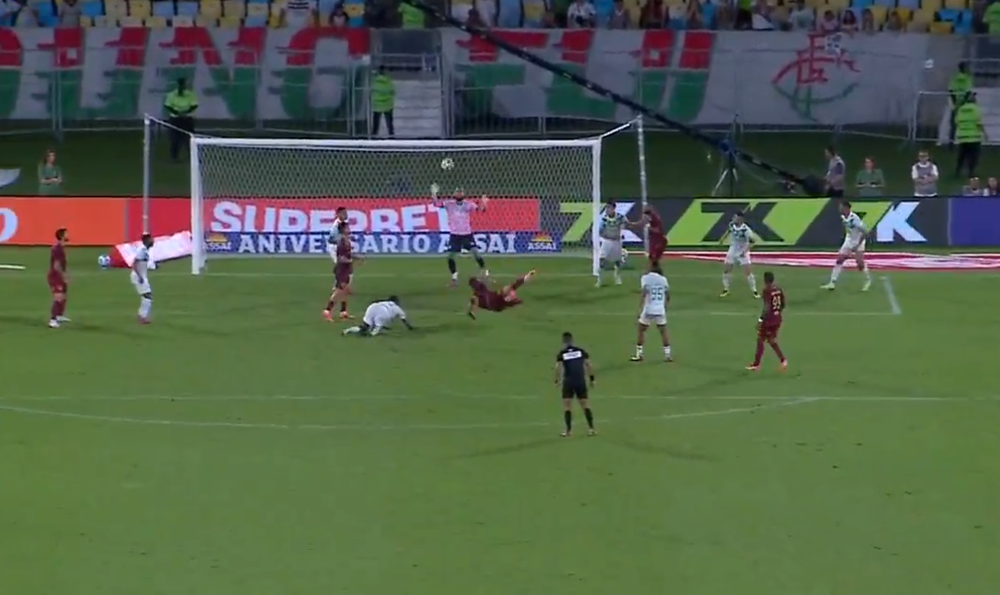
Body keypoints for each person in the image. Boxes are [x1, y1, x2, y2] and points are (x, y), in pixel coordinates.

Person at [432, 183, 489, 287]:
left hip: (466, 234)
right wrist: (434, 194)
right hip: (455, 235)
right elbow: (436, 204)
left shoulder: (468, 204)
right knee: (450, 257)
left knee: (476, 253)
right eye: (457, 192)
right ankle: (454, 278)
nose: (459, 194)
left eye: (460, 192)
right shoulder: (449, 204)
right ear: (454, 194)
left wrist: (483, 203)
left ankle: (485, 272)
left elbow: (480, 210)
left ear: (463, 194)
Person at [821, 201, 871, 292]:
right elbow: (848, 228)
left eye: (841, 207)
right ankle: (832, 283)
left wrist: (857, 245)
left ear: (846, 208)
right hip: (849, 239)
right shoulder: (843, 217)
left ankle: (867, 280)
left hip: (859, 240)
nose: (840, 209)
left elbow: (865, 232)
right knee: (840, 259)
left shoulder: (854, 219)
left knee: (860, 263)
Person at [553, 331, 596, 437]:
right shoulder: (580, 351)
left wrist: (557, 381)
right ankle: (591, 429)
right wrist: (592, 379)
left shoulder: (562, 353)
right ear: (572, 340)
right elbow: (589, 365)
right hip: (580, 381)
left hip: (569, 382)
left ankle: (568, 431)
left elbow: (558, 368)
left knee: (567, 406)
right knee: (585, 404)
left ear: (564, 341)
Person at [746, 271, 788, 371]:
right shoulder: (778, 289)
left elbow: (767, 306)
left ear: (765, 280)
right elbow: (783, 304)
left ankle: (756, 364)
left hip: (769, 320)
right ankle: (783, 360)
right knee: (771, 340)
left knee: (760, 339)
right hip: (777, 319)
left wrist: (761, 319)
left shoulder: (767, 290)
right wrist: (777, 312)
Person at [631, 261, 672, 362]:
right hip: (660, 309)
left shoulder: (645, 278)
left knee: (641, 330)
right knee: (663, 332)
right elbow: (668, 295)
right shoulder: (663, 279)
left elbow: (644, 293)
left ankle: (639, 354)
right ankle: (668, 355)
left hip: (649, 309)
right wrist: (665, 307)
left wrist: (639, 309)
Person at [323, 222, 362, 321]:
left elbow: (348, 254)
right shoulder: (342, 242)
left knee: (344, 290)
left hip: (346, 269)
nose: (349, 229)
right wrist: (351, 260)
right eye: (347, 227)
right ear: (343, 230)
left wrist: (357, 257)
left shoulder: (346, 241)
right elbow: (341, 258)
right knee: (339, 291)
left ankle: (343, 312)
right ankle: (327, 311)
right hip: (342, 270)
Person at [719, 211, 758, 298]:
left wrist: (744, 252)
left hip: (742, 251)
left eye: (735, 217)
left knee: (748, 272)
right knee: (727, 270)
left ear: (740, 219)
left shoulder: (746, 230)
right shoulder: (731, 225)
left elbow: (753, 242)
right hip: (732, 250)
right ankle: (726, 289)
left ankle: (754, 291)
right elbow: (728, 231)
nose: (734, 219)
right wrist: (722, 239)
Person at [467, 270, 536, 318]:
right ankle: (473, 311)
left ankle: (473, 311)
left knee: (510, 290)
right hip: (495, 303)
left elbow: (518, 283)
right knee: (510, 291)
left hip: (494, 302)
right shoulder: (481, 293)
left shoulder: (479, 294)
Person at [163, 77, 198, 162]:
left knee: (189, 139)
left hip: (187, 119)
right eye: (180, 84)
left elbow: (194, 105)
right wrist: (177, 113)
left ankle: (192, 157)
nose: (182, 86)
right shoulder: (172, 95)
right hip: (175, 119)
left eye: (183, 84)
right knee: (174, 139)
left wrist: (185, 113)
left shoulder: (190, 94)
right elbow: (167, 106)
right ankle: (174, 157)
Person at [343, 296, 414, 336]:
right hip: (383, 312)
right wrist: (409, 327)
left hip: (373, 307)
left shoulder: (384, 302)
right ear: (396, 301)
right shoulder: (397, 308)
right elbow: (403, 319)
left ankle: (347, 330)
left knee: (365, 326)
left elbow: (375, 301)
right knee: (375, 330)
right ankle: (369, 334)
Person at [596, 201, 628, 287]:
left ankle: (617, 277)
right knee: (602, 259)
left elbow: (625, 223)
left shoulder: (620, 217)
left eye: (609, 208)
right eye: (606, 208)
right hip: (607, 241)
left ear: (614, 208)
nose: (607, 209)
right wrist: (605, 236)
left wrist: (621, 231)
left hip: (617, 241)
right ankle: (599, 280)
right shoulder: (604, 219)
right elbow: (600, 231)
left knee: (617, 261)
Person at [954, 91, 984, 179]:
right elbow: (978, 122)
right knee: (973, 156)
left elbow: (957, 122)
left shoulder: (961, 109)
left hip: (963, 136)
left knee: (962, 155)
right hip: (974, 137)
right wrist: (985, 133)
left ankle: (958, 171)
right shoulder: (975, 109)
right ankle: (971, 172)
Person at [48, 228, 70, 328]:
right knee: (58, 297)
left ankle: (59, 315)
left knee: (64, 296)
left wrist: (66, 273)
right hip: (56, 276)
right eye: (66, 234)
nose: (68, 235)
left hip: (60, 275)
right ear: (62, 236)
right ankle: (52, 320)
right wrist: (63, 276)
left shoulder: (60, 247)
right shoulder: (57, 248)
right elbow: (56, 265)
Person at [131, 233, 155, 325]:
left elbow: (142, 263)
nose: (153, 241)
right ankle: (141, 317)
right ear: (146, 241)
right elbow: (134, 263)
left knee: (147, 296)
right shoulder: (142, 250)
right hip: (139, 276)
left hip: (141, 276)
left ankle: (141, 316)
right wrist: (139, 276)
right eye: (151, 239)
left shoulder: (145, 251)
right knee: (147, 296)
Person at [948, 62, 972, 146]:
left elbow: (951, 90)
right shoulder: (967, 79)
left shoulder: (954, 78)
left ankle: (951, 143)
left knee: (953, 125)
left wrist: (955, 102)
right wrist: (962, 103)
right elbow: (968, 92)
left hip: (955, 104)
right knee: (965, 124)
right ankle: (964, 142)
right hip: (963, 105)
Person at [371, 66, 395, 138]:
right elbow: (392, 91)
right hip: (388, 104)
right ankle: (391, 136)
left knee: (376, 123)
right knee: (389, 123)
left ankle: (373, 136)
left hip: (377, 104)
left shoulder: (374, 81)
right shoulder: (388, 81)